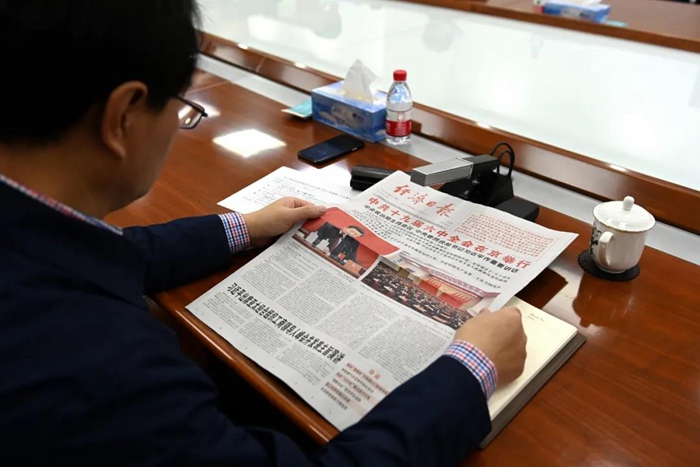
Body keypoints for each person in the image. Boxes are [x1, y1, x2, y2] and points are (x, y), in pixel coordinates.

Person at [0, 1, 527, 465]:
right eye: (181, 109)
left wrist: (244, 228)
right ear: (122, 116)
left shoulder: (28, 232)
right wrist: (470, 368)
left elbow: (101, 252)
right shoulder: (102, 368)